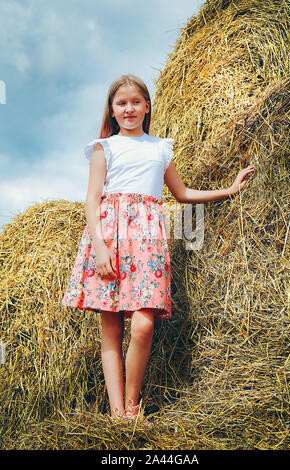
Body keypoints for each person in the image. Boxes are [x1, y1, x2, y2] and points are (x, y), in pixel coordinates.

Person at [62, 74, 255, 424]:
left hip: (148, 240)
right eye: (121, 103)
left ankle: (132, 406)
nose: (129, 108)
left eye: (135, 102)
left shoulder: (160, 148)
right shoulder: (103, 148)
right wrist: (100, 247)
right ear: (112, 110)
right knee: (112, 329)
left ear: (147, 106)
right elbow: (91, 200)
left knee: (143, 325)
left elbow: (181, 194)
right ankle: (119, 414)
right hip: (110, 236)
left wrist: (228, 191)